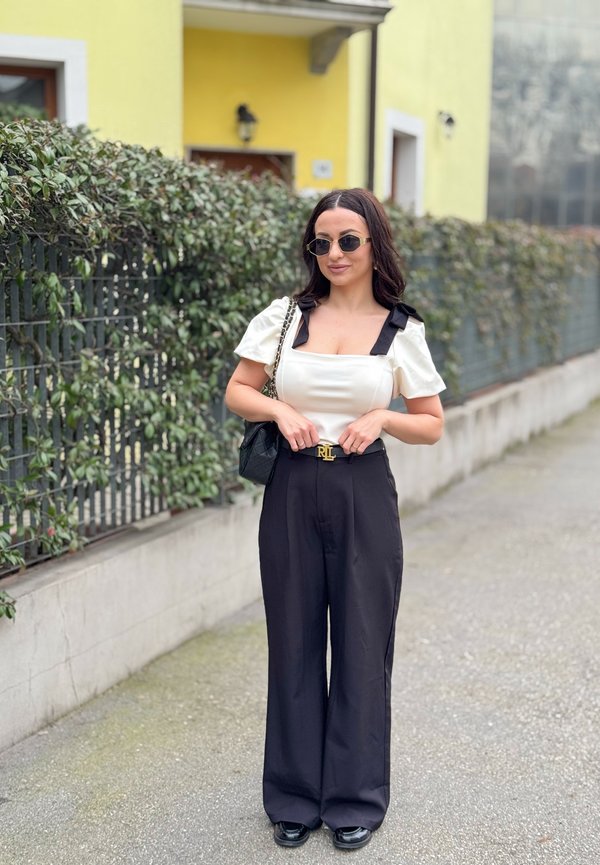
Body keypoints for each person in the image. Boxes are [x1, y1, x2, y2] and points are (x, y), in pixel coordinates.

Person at [225, 188, 445, 850]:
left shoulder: (401, 330)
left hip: (362, 492)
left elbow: (431, 424)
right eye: (321, 242)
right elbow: (239, 389)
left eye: (348, 240)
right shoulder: (286, 316)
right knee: (292, 638)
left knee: (360, 641)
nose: (334, 253)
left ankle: (353, 797)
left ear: (373, 243)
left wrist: (381, 416)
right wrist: (277, 410)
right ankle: (293, 794)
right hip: (293, 485)